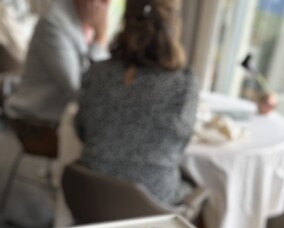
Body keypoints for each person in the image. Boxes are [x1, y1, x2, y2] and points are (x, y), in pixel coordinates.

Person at [74, 0, 199, 206]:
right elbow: (180, 146)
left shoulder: (95, 73)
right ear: (174, 23)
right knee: (202, 189)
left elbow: (81, 131)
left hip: (91, 199)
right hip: (153, 206)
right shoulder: (184, 83)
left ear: (125, 21)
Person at [5, 0, 110, 126]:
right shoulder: (52, 24)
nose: (107, 4)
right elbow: (80, 90)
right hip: (37, 120)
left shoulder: (82, 22)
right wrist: (100, 38)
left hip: (62, 120)